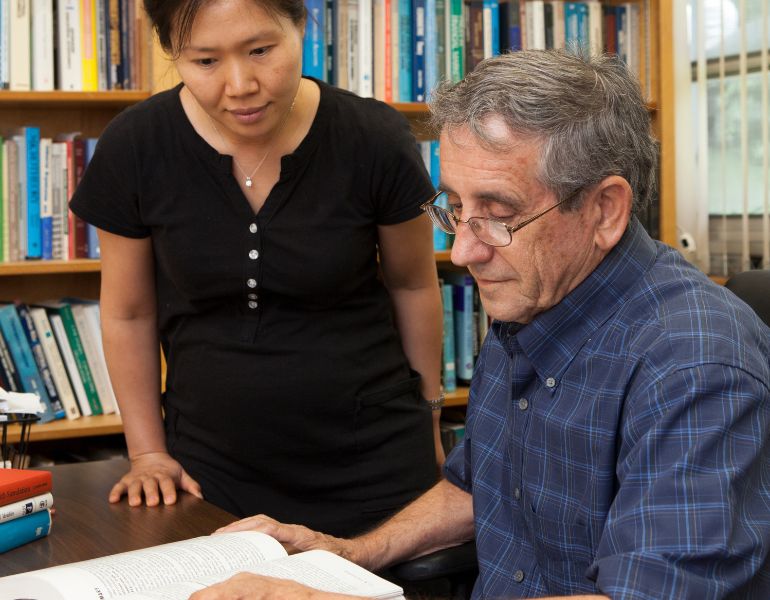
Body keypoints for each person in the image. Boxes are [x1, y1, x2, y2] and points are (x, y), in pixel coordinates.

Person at [189, 49, 770, 599]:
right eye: (456, 209)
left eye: (497, 215)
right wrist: (347, 554)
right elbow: (474, 487)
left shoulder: (695, 362)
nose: (464, 250)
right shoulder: (531, 297)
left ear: (605, 209)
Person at [69, 0, 445, 537]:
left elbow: (412, 284)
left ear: (301, 26)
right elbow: (128, 313)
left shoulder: (373, 137)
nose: (241, 84)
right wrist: (147, 453)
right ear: (174, 55)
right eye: (205, 61)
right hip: (208, 469)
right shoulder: (136, 145)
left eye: (261, 50)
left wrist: (430, 414)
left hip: (372, 460)